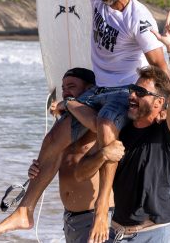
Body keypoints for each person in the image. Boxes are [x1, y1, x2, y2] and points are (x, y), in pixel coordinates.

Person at [0, 0, 167, 238]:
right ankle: (25, 211)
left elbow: (158, 65)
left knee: (106, 130)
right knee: (54, 138)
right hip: (98, 88)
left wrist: (163, 105)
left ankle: (101, 214)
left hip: (122, 91)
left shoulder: (138, 19)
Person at [75, 12, 170, 243]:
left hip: (153, 233)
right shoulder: (120, 129)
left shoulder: (167, 135)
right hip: (116, 232)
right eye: (132, 91)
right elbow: (80, 173)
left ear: (158, 103)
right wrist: (103, 154)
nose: (132, 96)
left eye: (141, 93)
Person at [30, 68, 121, 243]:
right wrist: (37, 167)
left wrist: (69, 103)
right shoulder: (66, 126)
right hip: (71, 219)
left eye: (71, 86)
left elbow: (96, 125)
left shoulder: (99, 120)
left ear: (89, 89)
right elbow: (59, 162)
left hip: (96, 218)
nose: (65, 92)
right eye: (63, 88)